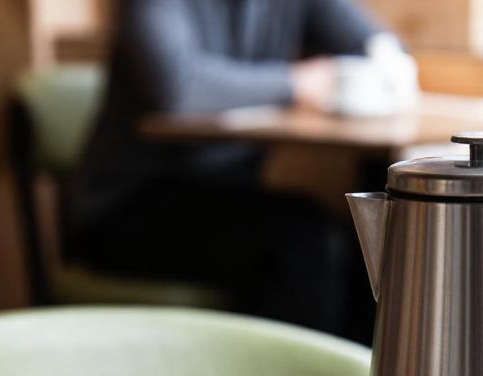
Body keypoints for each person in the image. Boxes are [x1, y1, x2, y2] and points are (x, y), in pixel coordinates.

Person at [72, 0, 387, 336]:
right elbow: (178, 88)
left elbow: (377, 47)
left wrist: (380, 68)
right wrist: (296, 84)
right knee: (304, 243)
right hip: (126, 205)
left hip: (228, 198)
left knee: (364, 236)